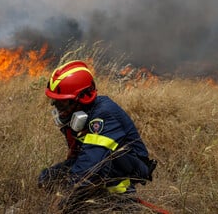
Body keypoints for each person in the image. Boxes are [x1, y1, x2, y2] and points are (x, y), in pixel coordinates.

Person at [38, 60, 156, 204]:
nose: (58, 109)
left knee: (98, 171)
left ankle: (124, 202)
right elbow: (77, 155)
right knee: (48, 177)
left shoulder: (103, 114)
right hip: (99, 159)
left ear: (83, 98)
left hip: (129, 164)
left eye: (62, 103)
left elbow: (90, 162)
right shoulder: (76, 114)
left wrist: (68, 195)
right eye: (55, 102)